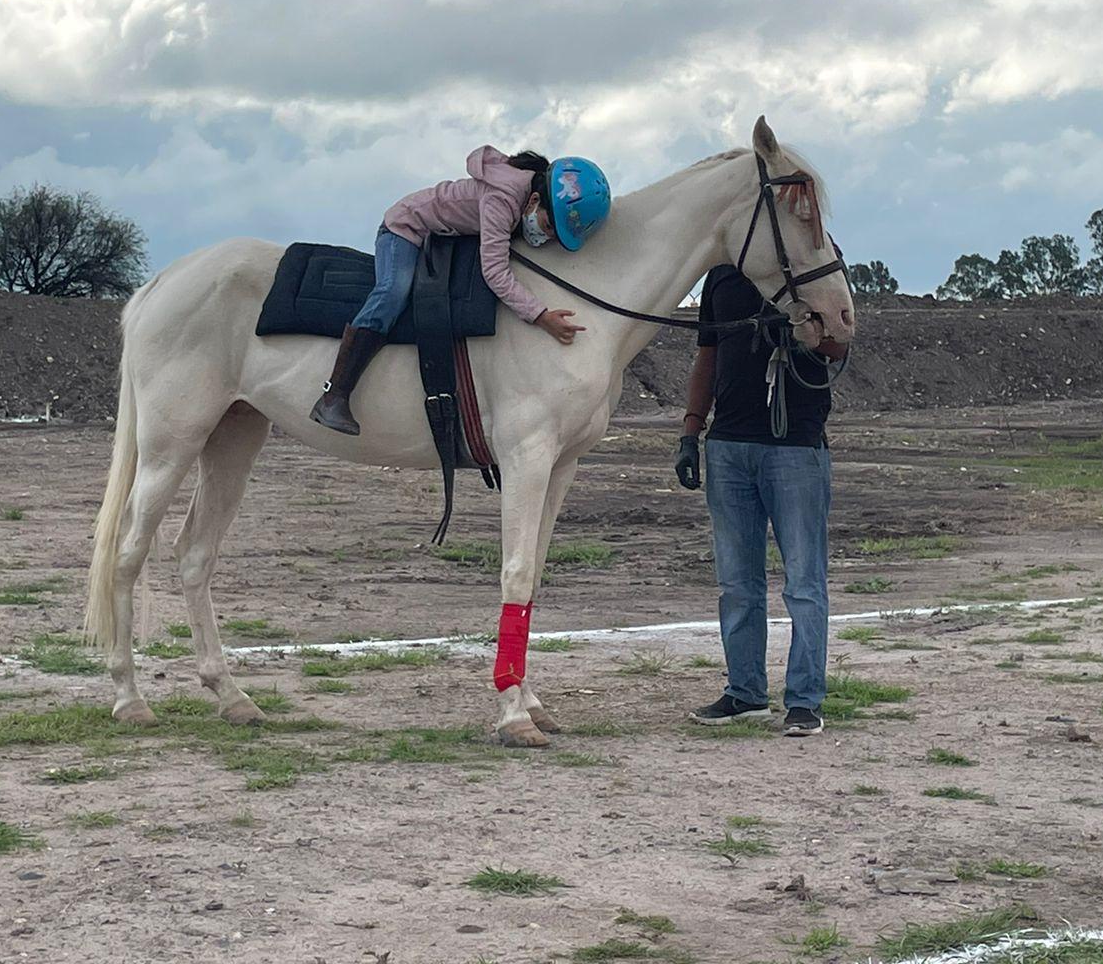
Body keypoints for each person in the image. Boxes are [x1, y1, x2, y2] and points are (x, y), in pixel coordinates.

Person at [310, 146, 612, 435]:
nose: (545, 236)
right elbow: (494, 271)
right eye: (547, 226)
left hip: (448, 234)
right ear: (534, 200)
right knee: (393, 291)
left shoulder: (527, 197)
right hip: (406, 228)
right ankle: (335, 395)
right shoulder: (503, 200)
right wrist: (540, 315)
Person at [674, 264, 848, 736]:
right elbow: (707, 355)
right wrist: (692, 430)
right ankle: (745, 693)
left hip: (796, 445)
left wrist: (808, 334)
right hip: (730, 445)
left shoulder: (815, 263)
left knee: (804, 581)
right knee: (736, 583)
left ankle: (804, 701)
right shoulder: (721, 277)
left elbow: (840, 344)